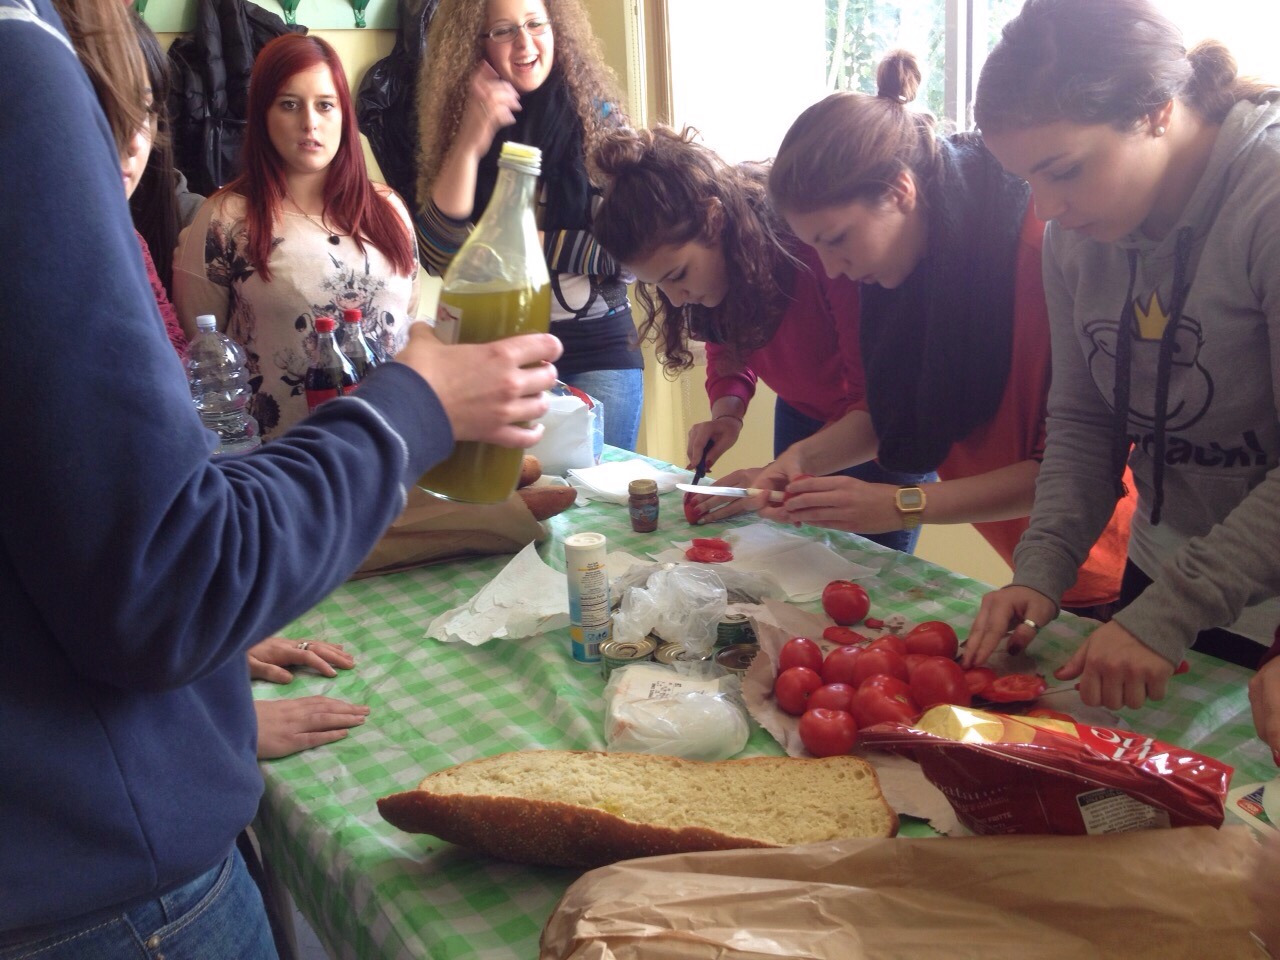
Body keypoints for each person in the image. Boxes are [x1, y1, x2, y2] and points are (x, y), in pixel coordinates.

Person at [0, 0, 561, 953]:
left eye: (327, 104)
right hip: (105, 887)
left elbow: (92, 524)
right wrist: (417, 404)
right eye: (113, 120)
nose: (128, 146)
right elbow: (164, 567)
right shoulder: (29, 68)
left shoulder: (381, 212)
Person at [963, 0, 1280, 718]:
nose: (1046, 210)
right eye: (1027, 182)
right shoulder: (1077, 237)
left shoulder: (1267, 200)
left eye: (1064, 171)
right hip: (1163, 572)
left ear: (1157, 111)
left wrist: (1170, 612)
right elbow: (1083, 422)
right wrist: (1040, 570)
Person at [751, 51, 1133, 617]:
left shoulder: (1038, 254)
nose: (831, 269)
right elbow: (892, 415)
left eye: (837, 239)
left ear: (899, 191)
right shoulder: (901, 270)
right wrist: (802, 458)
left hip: (1106, 552)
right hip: (1031, 553)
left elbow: (1071, 466)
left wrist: (901, 504)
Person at [590, 124, 933, 553]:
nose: (675, 299)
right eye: (659, 285)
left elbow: (877, 411)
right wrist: (727, 415)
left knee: (870, 569)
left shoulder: (820, 254)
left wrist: (777, 472)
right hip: (802, 416)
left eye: (678, 275)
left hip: (877, 428)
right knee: (795, 552)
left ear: (714, 220)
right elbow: (728, 340)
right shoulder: (720, 269)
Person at [415, 0, 645, 451]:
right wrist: (470, 142)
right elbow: (441, 254)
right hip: (500, 356)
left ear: (556, 27)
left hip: (600, 351)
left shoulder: (602, 121)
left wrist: (516, 245)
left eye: (536, 24)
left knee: (595, 492)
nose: (524, 43)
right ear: (476, 44)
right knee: (515, 490)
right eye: (503, 31)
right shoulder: (464, 123)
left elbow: (632, 253)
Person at [174, 33, 420, 440]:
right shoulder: (224, 218)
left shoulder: (388, 210)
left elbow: (406, 321)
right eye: (289, 104)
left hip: (388, 448)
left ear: (344, 115)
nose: (310, 122)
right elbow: (204, 349)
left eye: (325, 105)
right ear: (263, 115)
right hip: (279, 459)